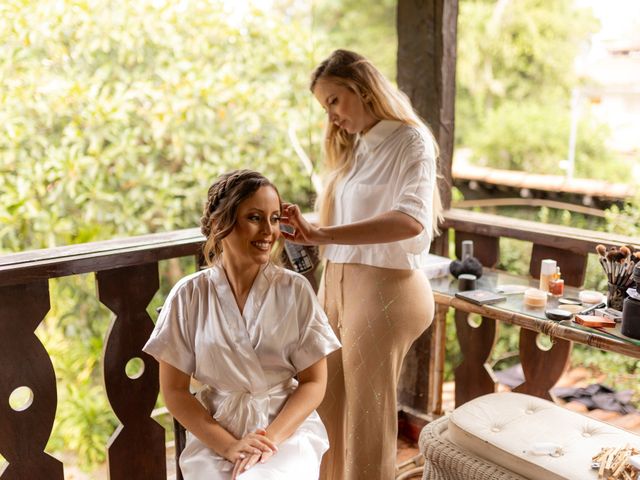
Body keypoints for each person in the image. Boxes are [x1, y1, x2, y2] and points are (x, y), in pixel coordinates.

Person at [280, 49, 442, 480]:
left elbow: (410, 220)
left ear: (362, 88)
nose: (331, 116)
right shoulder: (357, 148)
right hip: (336, 285)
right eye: (324, 107)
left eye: (334, 101)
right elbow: (353, 224)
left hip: (385, 288)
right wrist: (307, 227)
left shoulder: (410, 140)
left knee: (367, 420)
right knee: (323, 401)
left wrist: (325, 235)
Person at [143, 169, 341, 480]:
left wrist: (268, 440)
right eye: (254, 217)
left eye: (275, 218)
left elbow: (314, 382)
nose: (268, 231)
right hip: (217, 431)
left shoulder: (295, 291)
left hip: (285, 430)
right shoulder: (188, 295)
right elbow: (175, 391)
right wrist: (230, 446)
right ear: (222, 223)